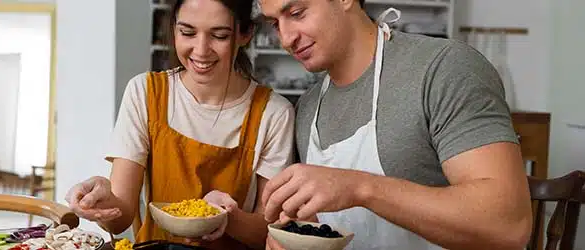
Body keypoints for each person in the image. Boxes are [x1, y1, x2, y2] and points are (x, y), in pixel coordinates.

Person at [257, 0, 533, 249]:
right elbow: (330, 226)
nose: (286, 38)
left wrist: (361, 188)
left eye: (296, 13)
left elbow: (508, 225)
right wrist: (295, 238)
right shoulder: (308, 108)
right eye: (274, 24)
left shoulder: (444, 69)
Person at [64, 0, 295, 249]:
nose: (201, 50)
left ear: (245, 34)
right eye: (187, 32)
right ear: (173, 28)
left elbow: (267, 233)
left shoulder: (273, 112)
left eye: (219, 36)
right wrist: (100, 200)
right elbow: (120, 220)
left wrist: (228, 217)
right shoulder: (146, 93)